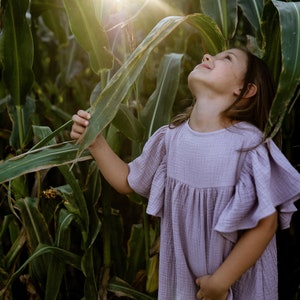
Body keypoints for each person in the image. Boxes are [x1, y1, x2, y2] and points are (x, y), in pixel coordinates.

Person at [71, 48, 300, 300]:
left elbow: (265, 224)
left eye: (226, 58)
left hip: (236, 285)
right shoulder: (171, 138)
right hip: (183, 286)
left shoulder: (249, 144)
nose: (207, 57)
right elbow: (127, 181)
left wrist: (220, 282)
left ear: (245, 90)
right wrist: (95, 143)